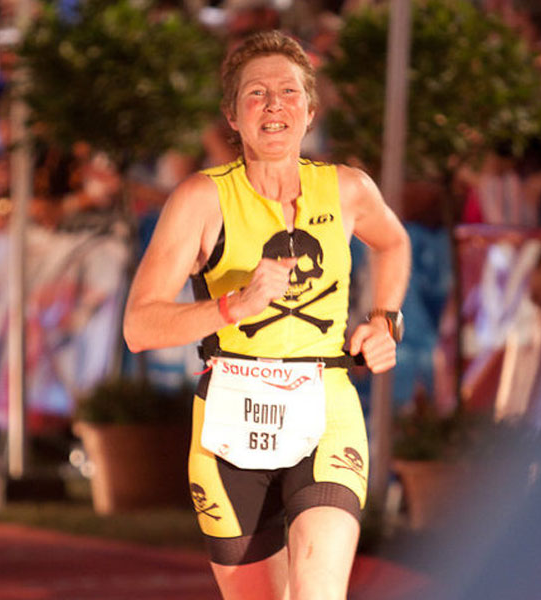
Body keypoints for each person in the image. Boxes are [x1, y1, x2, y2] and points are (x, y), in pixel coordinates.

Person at [123, 30, 410, 600]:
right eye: (256, 93)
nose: (274, 104)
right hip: (230, 425)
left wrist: (384, 320)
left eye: (288, 91)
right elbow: (139, 327)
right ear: (232, 116)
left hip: (326, 406)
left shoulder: (348, 189)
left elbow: (394, 242)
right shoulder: (201, 199)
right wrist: (233, 306)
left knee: (318, 590)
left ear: (310, 110)